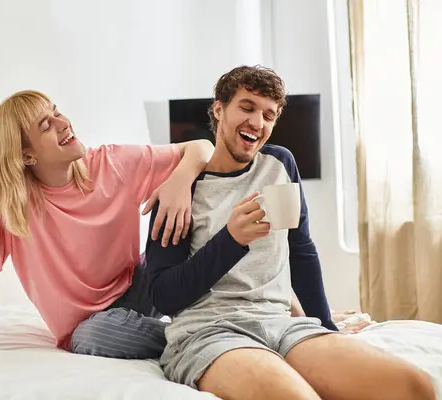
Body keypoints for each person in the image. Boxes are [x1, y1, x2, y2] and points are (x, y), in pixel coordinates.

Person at [144, 66, 436, 400]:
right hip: (209, 332)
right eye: (247, 107)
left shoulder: (279, 164)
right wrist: (231, 241)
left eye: (269, 115)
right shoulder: (180, 189)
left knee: (415, 388)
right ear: (219, 109)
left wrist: (326, 328)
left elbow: (301, 251)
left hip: (281, 324)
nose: (258, 122)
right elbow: (164, 296)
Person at [0, 89, 214, 364]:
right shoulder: (9, 198)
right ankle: (201, 335)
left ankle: (221, 317)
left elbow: (201, 147)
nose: (63, 122)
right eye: (46, 125)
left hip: (138, 288)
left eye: (56, 111)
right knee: (91, 338)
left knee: (188, 222)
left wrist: (179, 180)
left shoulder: (111, 163)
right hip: (88, 325)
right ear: (26, 155)